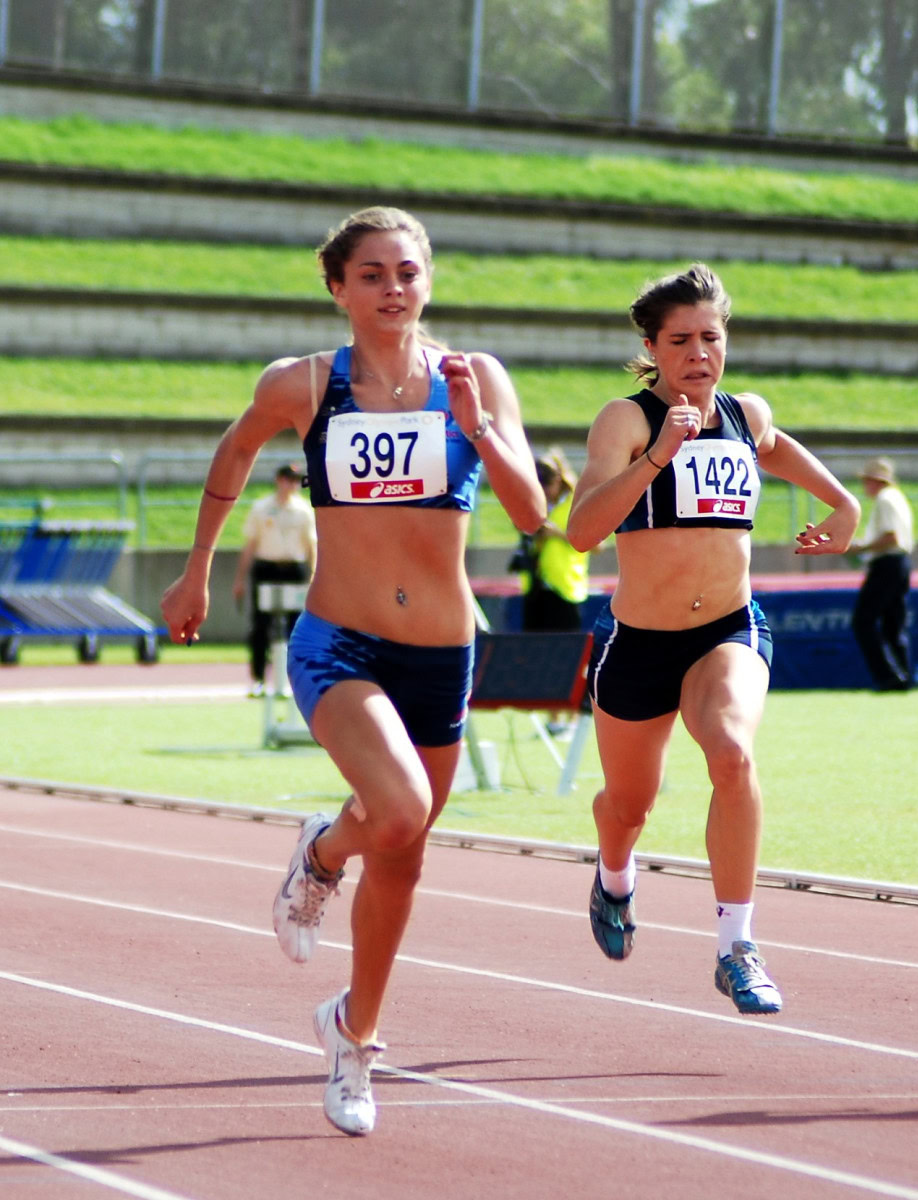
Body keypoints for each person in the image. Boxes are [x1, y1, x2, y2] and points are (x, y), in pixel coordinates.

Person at [160, 206, 545, 1136]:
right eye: (372, 275)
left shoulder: (475, 376)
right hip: (339, 642)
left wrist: (478, 429)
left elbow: (535, 515)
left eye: (408, 272)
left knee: (405, 858)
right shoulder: (302, 384)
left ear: (429, 281)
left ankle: (352, 1030)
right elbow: (236, 449)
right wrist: (197, 566)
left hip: (443, 654)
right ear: (338, 287)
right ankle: (327, 854)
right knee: (402, 809)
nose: (393, 289)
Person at [567, 263, 860, 1016]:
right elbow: (581, 531)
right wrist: (660, 451)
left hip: (727, 628)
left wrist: (843, 503)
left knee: (731, 754)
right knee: (628, 804)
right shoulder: (625, 421)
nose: (699, 353)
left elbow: (778, 444)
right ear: (652, 347)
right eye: (681, 340)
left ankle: (737, 946)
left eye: (711, 337)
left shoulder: (744, 413)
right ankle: (615, 874)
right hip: (639, 642)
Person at [519, 448, 592, 735]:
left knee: (568, 657)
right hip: (538, 586)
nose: (544, 493)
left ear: (557, 481)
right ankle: (553, 720)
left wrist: (556, 534)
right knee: (543, 655)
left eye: (546, 487)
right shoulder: (537, 504)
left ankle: (572, 720)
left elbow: (595, 543)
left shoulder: (575, 503)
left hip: (566, 587)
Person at [232, 462, 316, 697]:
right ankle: (258, 679)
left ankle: (291, 682)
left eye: (295, 480)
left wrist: (313, 575)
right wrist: (239, 579)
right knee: (260, 625)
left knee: (295, 627)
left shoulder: (303, 510)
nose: (291, 484)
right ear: (279, 480)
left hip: (293, 570)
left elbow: (311, 546)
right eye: (288, 479)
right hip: (266, 568)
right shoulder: (261, 508)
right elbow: (250, 545)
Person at [850, 456, 914, 691]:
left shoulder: (885, 500)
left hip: (886, 563)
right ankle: (903, 675)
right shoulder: (898, 498)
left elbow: (890, 537)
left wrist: (860, 548)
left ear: (874, 481)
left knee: (863, 621)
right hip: (901, 562)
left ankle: (888, 675)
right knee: (894, 623)